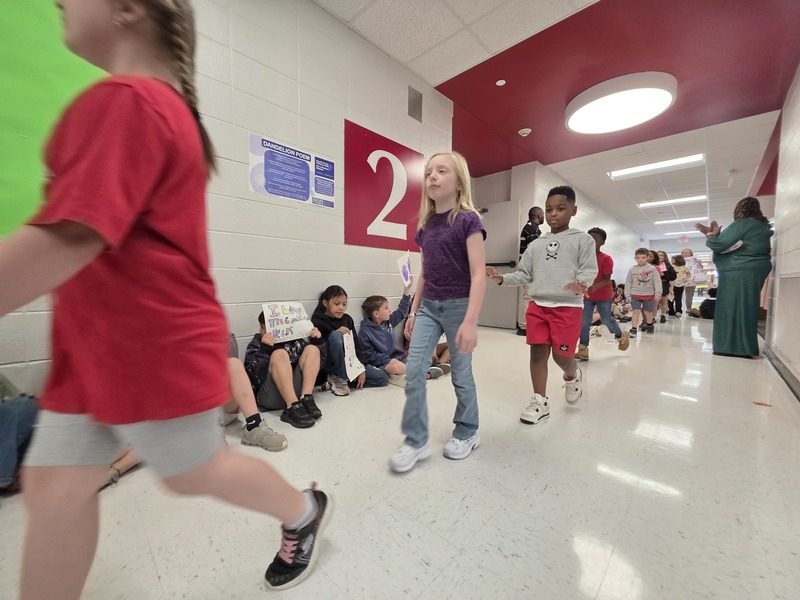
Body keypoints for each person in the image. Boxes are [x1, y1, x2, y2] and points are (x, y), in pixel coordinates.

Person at [0, 3, 330, 596]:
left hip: (155, 345)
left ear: (127, 8)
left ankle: (303, 510)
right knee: (54, 486)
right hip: (92, 345)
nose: (58, 2)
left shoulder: (131, 101)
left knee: (194, 472)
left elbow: (70, 236)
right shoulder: (145, 103)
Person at [390, 152, 486, 473]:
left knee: (460, 374)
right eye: (429, 172)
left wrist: (471, 321)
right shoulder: (426, 225)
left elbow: (478, 273)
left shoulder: (469, 221)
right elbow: (424, 273)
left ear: (458, 182)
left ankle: (467, 430)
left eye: (441, 171)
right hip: (429, 307)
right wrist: (413, 313)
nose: (431, 176)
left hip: (459, 306)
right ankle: (416, 440)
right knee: (413, 370)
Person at [487, 185, 597, 425]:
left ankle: (571, 375)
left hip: (567, 307)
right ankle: (540, 401)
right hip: (538, 304)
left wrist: (582, 283)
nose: (553, 214)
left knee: (561, 357)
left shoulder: (583, 240)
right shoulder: (537, 243)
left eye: (560, 208)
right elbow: (524, 274)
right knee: (537, 351)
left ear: (574, 210)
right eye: (549, 209)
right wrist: (501, 278)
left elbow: (589, 269)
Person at [695, 196, 773, 357]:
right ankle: (744, 346)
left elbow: (719, 244)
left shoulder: (744, 223)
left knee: (730, 307)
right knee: (746, 306)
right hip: (752, 269)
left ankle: (731, 347)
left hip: (739, 270)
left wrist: (711, 235)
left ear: (741, 210)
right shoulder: (761, 226)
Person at [245, 312, 325, 428]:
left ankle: (306, 398)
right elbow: (251, 376)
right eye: (261, 326)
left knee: (312, 349)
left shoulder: (294, 341)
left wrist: (318, 342)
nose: (261, 331)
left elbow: (319, 366)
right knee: (279, 354)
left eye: (264, 327)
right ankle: (290, 408)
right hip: (270, 396)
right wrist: (265, 350)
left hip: (296, 394)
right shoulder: (257, 343)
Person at [358, 282, 444, 387]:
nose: (389, 310)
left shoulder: (388, 323)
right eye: (386, 308)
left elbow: (401, 311)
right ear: (376, 314)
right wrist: (387, 359)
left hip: (399, 358)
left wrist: (406, 291)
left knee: (419, 359)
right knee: (399, 367)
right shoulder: (365, 331)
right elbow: (369, 355)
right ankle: (423, 374)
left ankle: (413, 372)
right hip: (384, 363)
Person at [311, 285, 389, 395]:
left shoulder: (347, 319)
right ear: (325, 303)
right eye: (337, 304)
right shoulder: (317, 321)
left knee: (382, 378)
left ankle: (339, 382)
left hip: (350, 362)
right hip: (331, 365)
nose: (341, 308)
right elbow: (317, 351)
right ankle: (338, 377)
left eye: (344, 304)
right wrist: (333, 334)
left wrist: (360, 366)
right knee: (336, 336)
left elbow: (356, 344)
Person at [574, 227, 629, 361]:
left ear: (602, 242)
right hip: (587, 296)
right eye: (589, 238)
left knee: (606, 320)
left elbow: (606, 279)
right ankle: (583, 348)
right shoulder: (582, 258)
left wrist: (594, 287)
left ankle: (620, 336)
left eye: (595, 239)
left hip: (603, 296)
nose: (591, 241)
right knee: (584, 322)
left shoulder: (606, 258)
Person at [516, 206, 545, 335]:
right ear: (538, 214)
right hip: (530, 267)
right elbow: (535, 251)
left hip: (531, 267)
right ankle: (523, 327)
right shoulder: (531, 229)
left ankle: (527, 325)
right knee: (528, 297)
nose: (544, 216)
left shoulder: (533, 228)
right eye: (543, 213)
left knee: (530, 296)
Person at [625, 248, 661, 336]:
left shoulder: (652, 269)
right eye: (638, 257)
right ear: (635, 258)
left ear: (648, 257)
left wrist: (658, 293)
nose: (640, 259)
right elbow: (628, 282)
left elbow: (657, 282)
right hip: (635, 294)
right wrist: (627, 294)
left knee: (648, 311)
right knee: (635, 311)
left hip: (648, 294)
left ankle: (649, 325)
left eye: (643, 257)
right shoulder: (632, 269)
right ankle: (633, 328)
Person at [655, 250, 677, 322]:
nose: (660, 257)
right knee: (654, 302)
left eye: (661, 255)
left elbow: (673, 276)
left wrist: (664, 275)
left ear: (665, 257)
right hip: (653, 285)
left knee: (663, 301)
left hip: (664, 284)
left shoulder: (668, 266)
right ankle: (653, 316)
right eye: (658, 255)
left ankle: (663, 315)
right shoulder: (652, 265)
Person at [681, 248, 705, 312]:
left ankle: (688, 307)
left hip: (691, 279)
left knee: (689, 294)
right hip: (680, 279)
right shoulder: (679, 260)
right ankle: (677, 308)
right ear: (682, 253)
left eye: (687, 252)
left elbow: (700, 269)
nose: (686, 253)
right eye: (684, 252)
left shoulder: (695, 260)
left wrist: (699, 264)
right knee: (678, 294)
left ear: (691, 253)